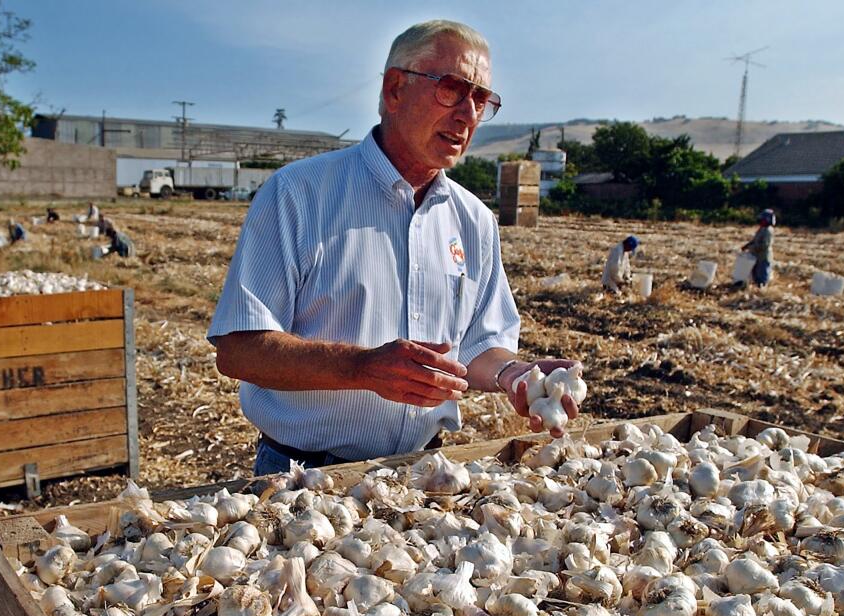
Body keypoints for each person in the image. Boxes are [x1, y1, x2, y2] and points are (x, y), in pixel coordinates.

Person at [208, 19, 580, 476]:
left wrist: (516, 375)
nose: (467, 114)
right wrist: (363, 367)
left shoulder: (474, 220)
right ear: (394, 89)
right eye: (452, 89)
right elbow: (240, 350)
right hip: (303, 481)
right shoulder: (299, 194)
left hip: (424, 472)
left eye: (481, 99)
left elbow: (479, 343)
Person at [741, 209, 776, 287]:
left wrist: (751, 247)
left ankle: (762, 289)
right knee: (755, 274)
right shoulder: (761, 229)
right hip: (757, 256)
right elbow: (755, 240)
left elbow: (764, 245)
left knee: (762, 275)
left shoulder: (768, 231)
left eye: (763, 219)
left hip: (763, 257)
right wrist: (746, 246)